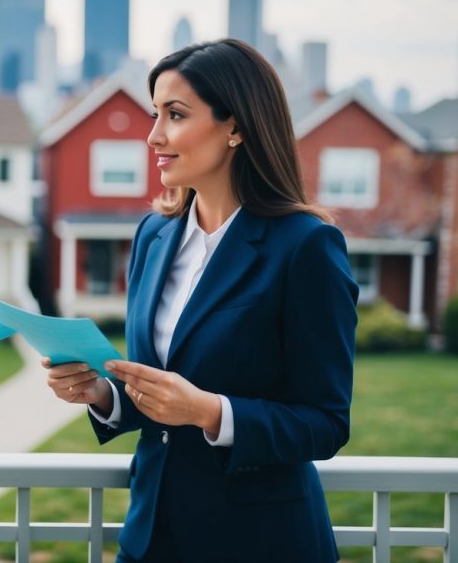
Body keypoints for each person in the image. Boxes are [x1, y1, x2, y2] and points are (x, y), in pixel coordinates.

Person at [43, 39, 359, 562]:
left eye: (175, 114)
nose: (153, 136)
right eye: (154, 114)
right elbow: (158, 385)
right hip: (151, 538)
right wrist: (102, 394)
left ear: (236, 126)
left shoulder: (305, 247)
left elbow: (326, 422)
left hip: (259, 544)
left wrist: (212, 413)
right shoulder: (154, 236)